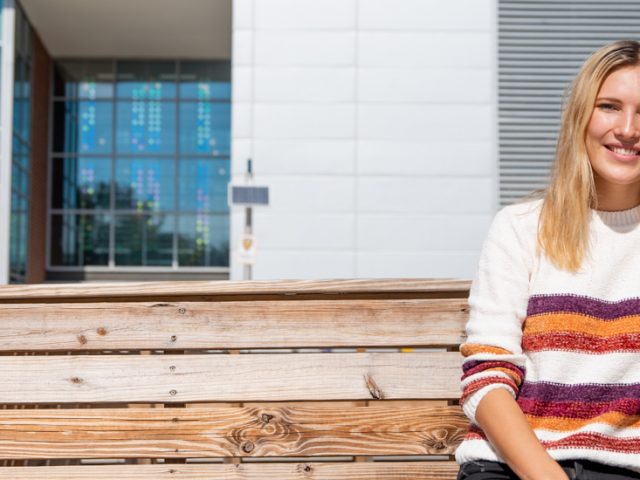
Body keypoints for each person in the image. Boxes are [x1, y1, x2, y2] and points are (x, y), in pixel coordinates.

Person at [455, 40, 640, 480]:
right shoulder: (520, 228)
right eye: (609, 107)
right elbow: (487, 377)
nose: (628, 128)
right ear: (581, 116)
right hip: (514, 468)